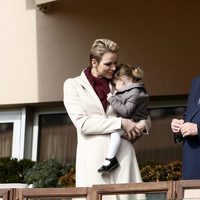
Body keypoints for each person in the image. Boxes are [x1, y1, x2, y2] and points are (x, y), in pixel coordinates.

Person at [63, 38, 151, 200]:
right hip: (93, 160)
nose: (114, 68)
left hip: (124, 157)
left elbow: (143, 111)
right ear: (94, 62)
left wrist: (140, 127)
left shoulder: (121, 81)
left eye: (115, 63)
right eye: (108, 64)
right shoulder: (73, 85)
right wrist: (120, 122)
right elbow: (83, 124)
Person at [98, 63, 149, 173]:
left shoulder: (135, 93)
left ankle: (110, 159)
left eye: (115, 84)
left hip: (133, 122)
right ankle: (110, 159)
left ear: (121, 79)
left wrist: (112, 99)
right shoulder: (132, 91)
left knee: (116, 132)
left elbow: (125, 111)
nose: (116, 88)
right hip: (133, 121)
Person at [171, 76, 200, 180]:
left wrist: (198, 129)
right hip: (191, 167)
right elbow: (190, 115)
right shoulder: (196, 82)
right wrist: (180, 124)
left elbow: (196, 127)